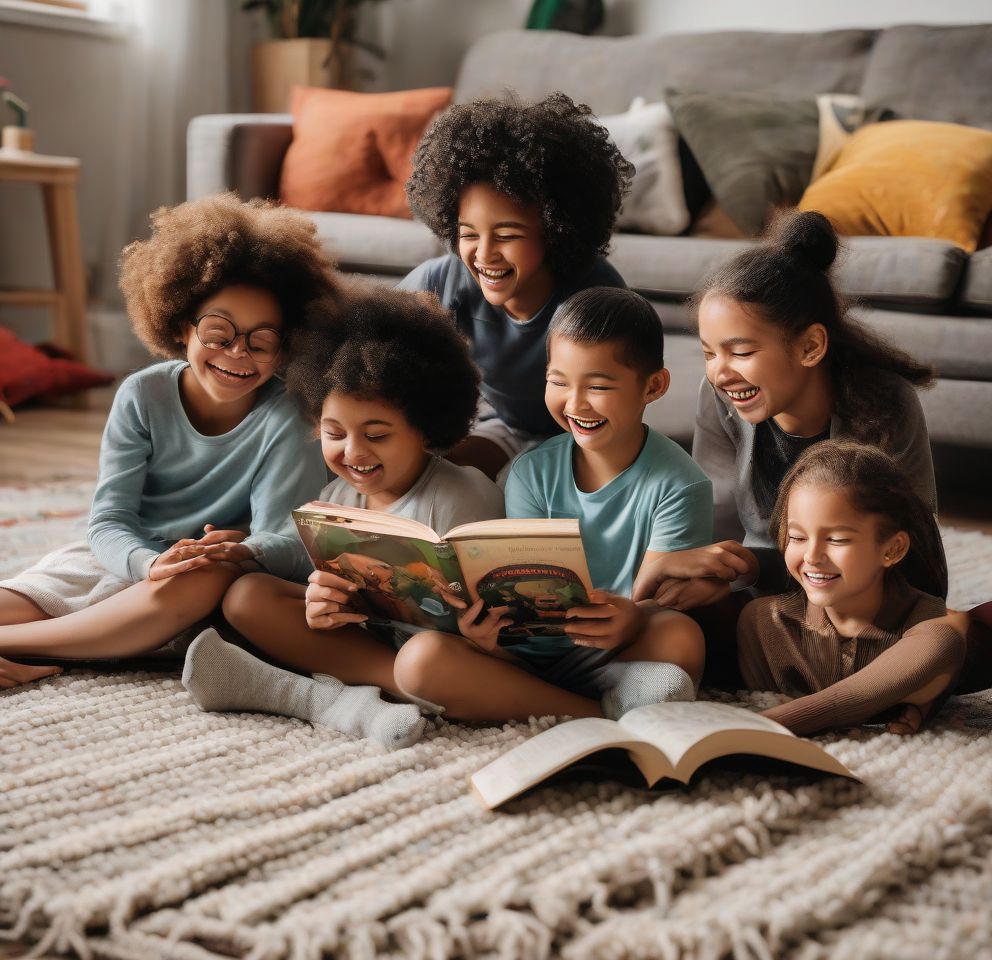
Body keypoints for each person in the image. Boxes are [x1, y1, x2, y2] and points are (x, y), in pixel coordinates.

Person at [0, 194, 336, 688]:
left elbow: (287, 543)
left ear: (285, 346)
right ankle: (68, 636)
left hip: (199, 581)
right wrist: (148, 562)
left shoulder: (288, 416)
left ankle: (18, 645)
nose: (237, 353)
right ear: (182, 327)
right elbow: (109, 522)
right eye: (219, 333)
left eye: (261, 341)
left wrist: (244, 552)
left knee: (204, 575)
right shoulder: (142, 393)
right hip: (126, 557)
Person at [182, 287, 506, 749]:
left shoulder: (462, 495)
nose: (353, 453)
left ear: (426, 429)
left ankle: (323, 693)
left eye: (376, 435)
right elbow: (338, 599)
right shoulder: (337, 496)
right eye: (334, 433)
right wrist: (324, 605)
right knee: (247, 595)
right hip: (379, 651)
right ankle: (382, 692)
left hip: (458, 659)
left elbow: (506, 619)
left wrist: (482, 639)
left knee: (426, 659)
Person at [633, 210, 938, 679]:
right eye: (709, 353)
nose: (720, 372)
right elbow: (716, 525)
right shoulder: (719, 398)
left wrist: (752, 568)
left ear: (811, 347)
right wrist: (709, 572)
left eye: (741, 352)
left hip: (872, 609)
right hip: (770, 602)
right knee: (667, 622)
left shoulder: (885, 404)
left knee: (989, 630)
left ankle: (859, 673)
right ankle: (844, 676)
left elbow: (907, 558)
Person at [391, 287, 713, 722]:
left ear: (653, 386)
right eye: (558, 382)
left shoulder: (680, 483)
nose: (575, 403)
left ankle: (596, 696)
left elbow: (666, 597)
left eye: (598, 386)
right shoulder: (531, 472)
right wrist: (485, 637)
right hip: (523, 656)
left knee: (681, 636)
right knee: (419, 662)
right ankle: (597, 715)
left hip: (616, 650)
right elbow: (518, 588)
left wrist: (635, 618)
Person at [399, 92, 634, 479]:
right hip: (502, 425)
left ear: (556, 232)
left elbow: (617, 407)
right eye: (468, 234)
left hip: (584, 436)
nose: (484, 254)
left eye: (507, 236)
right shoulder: (440, 281)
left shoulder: (596, 297)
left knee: (519, 485)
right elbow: (370, 346)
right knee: (432, 475)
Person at [738, 439, 992, 736]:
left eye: (837, 540)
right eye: (797, 538)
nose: (812, 556)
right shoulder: (764, 623)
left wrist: (763, 726)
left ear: (893, 549)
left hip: (941, 640)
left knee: (978, 629)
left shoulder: (930, 631)